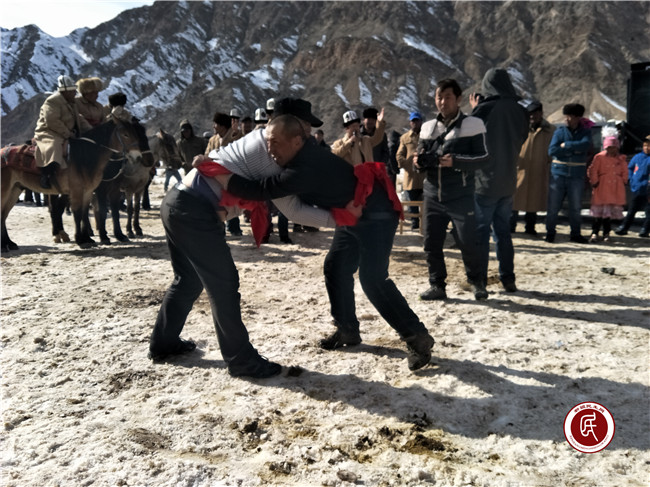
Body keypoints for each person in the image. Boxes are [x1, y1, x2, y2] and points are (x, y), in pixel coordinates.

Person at [212, 108, 436, 372]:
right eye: (267, 142)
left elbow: (262, 190)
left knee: (373, 278)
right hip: (351, 213)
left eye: (275, 142)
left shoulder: (303, 167)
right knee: (336, 267)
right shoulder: (299, 156)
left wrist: (218, 172)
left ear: (297, 141)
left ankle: (417, 337)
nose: (269, 149)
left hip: (375, 211)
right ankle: (347, 329)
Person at [150, 101, 339, 378]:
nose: (308, 134)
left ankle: (164, 343)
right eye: (305, 127)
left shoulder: (265, 142)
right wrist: (341, 219)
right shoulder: (272, 151)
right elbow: (293, 209)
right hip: (194, 210)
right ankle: (241, 361)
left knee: (188, 280)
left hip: (179, 202)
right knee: (224, 284)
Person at [415, 79, 489, 301]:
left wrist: (455, 161)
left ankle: (476, 281)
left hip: (461, 195)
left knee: (468, 241)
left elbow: (483, 158)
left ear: (458, 99)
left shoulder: (474, 125)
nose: (442, 102)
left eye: (447, 97)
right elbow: (419, 159)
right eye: (439, 97)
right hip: (432, 194)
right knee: (431, 243)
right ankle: (437, 285)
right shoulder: (428, 128)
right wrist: (417, 162)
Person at [469, 68, 529, 294]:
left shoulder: (484, 109)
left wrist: (475, 110)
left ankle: (480, 280)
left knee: (481, 233)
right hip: (508, 180)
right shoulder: (520, 111)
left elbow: (470, 137)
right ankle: (508, 278)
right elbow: (522, 138)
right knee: (503, 233)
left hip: (484, 181)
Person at [33, 75, 92, 189]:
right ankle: (47, 175)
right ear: (66, 92)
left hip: (66, 132)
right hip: (49, 132)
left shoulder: (71, 102)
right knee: (53, 146)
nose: (75, 93)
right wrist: (68, 134)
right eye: (73, 91)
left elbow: (78, 118)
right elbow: (52, 121)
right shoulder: (52, 101)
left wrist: (91, 130)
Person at [545, 103, 593, 243]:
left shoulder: (586, 132)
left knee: (576, 207)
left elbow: (585, 145)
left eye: (570, 116)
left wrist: (566, 145)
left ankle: (575, 234)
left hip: (576, 175)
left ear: (577, 117)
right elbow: (552, 150)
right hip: (558, 174)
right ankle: (550, 233)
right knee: (553, 206)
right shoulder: (559, 132)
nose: (566, 119)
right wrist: (574, 150)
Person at [510, 101, 555, 235]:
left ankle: (530, 227)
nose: (532, 116)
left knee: (533, 201)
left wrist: (547, 162)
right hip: (520, 169)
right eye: (529, 113)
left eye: (535, 113)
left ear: (541, 113)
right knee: (514, 200)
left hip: (539, 170)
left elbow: (553, 150)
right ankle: (510, 226)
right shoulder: (518, 128)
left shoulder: (550, 130)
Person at [205, 111, 244, 236]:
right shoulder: (213, 140)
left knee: (231, 202)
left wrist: (236, 133)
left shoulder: (235, 135)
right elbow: (207, 154)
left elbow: (241, 144)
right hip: (215, 176)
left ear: (222, 126)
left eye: (215, 124)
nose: (213, 126)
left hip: (230, 174)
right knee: (217, 203)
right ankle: (220, 229)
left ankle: (234, 228)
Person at [587, 136, 629, 242]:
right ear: (605, 147)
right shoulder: (599, 157)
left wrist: (624, 181)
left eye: (614, 147)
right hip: (601, 187)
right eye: (609, 147)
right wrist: (594, 181)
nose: (612, 150)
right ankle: (594, 232)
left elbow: (625, 171)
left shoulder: (621, 159)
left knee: (608, 213)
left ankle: (606, 233)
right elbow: (593, 170)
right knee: (598, 213)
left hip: (615, 188)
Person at [615, 135, 650, 237]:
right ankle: (624, 227)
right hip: (637, 188)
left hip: (648, 190)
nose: (647, 148)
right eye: (645, 145)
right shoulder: (637, 157)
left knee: (648, 212)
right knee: (632, 210)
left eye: (649, 146)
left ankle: (645, 229)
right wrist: (630, 179)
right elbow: (630, 168)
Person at [396, 111, 426, 230]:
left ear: (421, 122)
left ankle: (425, 223)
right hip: (411, 177)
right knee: (412, 202)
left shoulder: (426, 136)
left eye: (417, 120)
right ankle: (414, 223)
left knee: (426, 202)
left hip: (425, 176)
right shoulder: (405, 138)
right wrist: (408, 165)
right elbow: (399, 155)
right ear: (410, 122)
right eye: (413, 121)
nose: (415, 123)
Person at [361, 107, 394, 177]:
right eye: (368, 119)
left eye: (373, 120)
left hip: (377, 171)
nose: (370, 121)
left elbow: (386, 152)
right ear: (364, 120)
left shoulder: (381, 135)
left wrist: (380, 165)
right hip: (361, 170)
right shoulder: (358, 134)